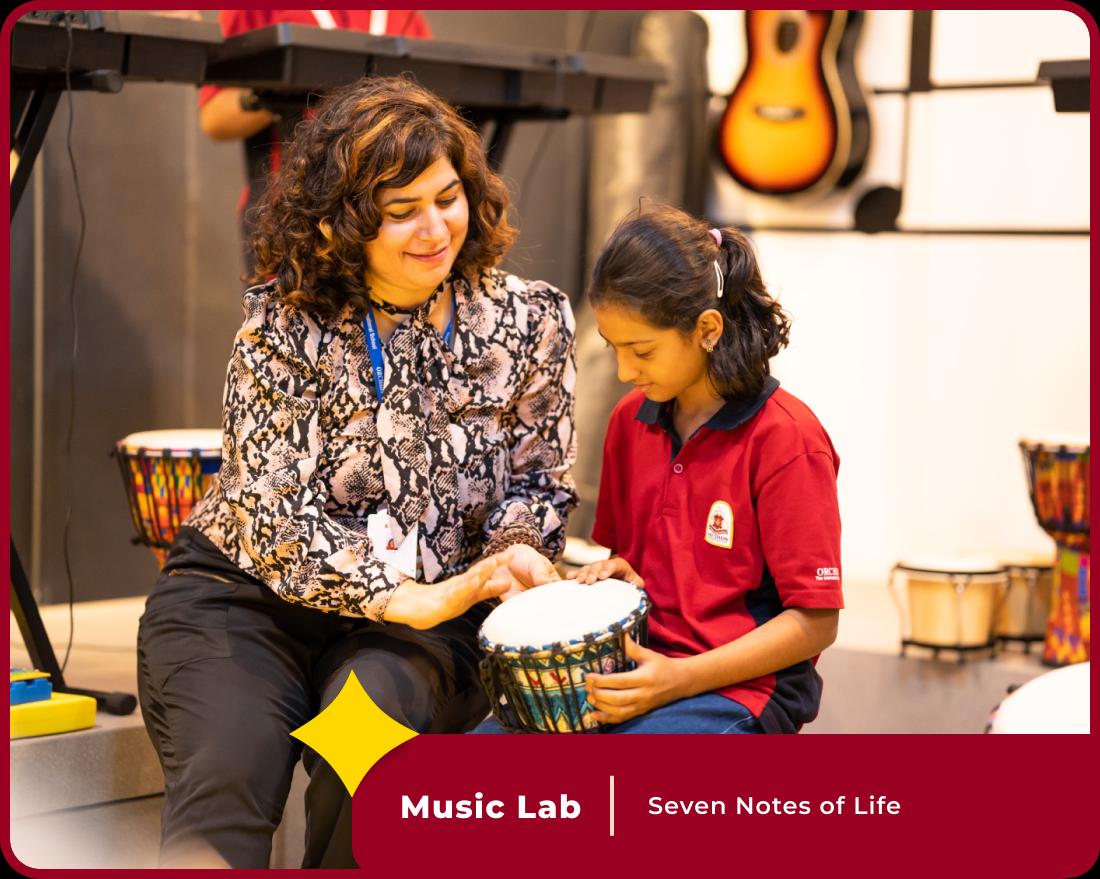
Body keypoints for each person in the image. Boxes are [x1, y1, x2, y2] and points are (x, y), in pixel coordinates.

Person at [137, 75, 576, 868]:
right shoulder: (282, 320)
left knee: (365, 749)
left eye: (447, 197)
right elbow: (270, 509)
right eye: (400, 211)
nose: (435, 228)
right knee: (231, 771)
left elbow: (537, 480)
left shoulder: (528, 317)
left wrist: (515, 547)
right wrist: (404, 594)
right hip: (245, 599)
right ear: (343, 225)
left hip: (417, 633)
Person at [476, 202, 841, 735]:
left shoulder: (788, 439)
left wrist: (680, 679)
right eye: (613, 348)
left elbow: (815, 621)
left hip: (740, 689)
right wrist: (622, 577)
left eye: (642, 350)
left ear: (708, 329)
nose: (625, 371)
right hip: (637, 669)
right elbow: (632, 558)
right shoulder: (630, 421)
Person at [198, 10, 431, 274]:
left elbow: (428, 93)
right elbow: (214, 118)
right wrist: (277, 90)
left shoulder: (405, 13)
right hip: (291, 216)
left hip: (387, 213)